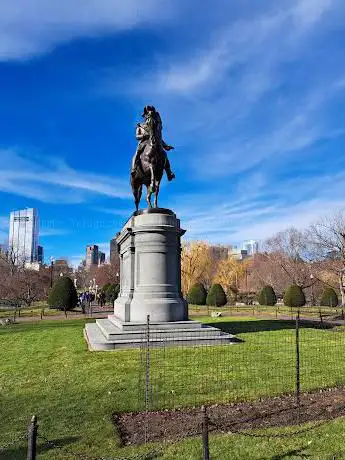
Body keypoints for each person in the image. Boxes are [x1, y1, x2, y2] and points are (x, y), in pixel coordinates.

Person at [131, 106, 175, 181]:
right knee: (137, 153)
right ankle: (134, 169)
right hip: (144, 142)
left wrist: (166, 146)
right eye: (146, 114)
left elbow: (158, 137)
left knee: (164, 154)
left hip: (154, 142)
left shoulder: (152, 125)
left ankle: (169, 173)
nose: (147, 115)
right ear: (144, 116)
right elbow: (137, 136)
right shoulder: (140, 126)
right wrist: (144, 135)